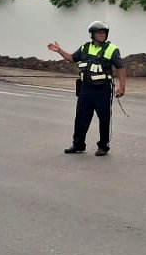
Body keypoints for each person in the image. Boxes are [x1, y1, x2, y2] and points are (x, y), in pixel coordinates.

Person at [47, 21, 127, 157]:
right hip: (85, 88)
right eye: (99, 33)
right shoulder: (85, 48)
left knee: (104, 118)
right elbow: (72, 58)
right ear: (93, 34)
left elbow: (120, 67)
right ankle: (78, 144)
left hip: (102, 89)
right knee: (81, 117)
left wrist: (122, 87)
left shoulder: (112, 49)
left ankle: (103, 146)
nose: (102, 35)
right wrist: (59, 50)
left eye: (104, 33)